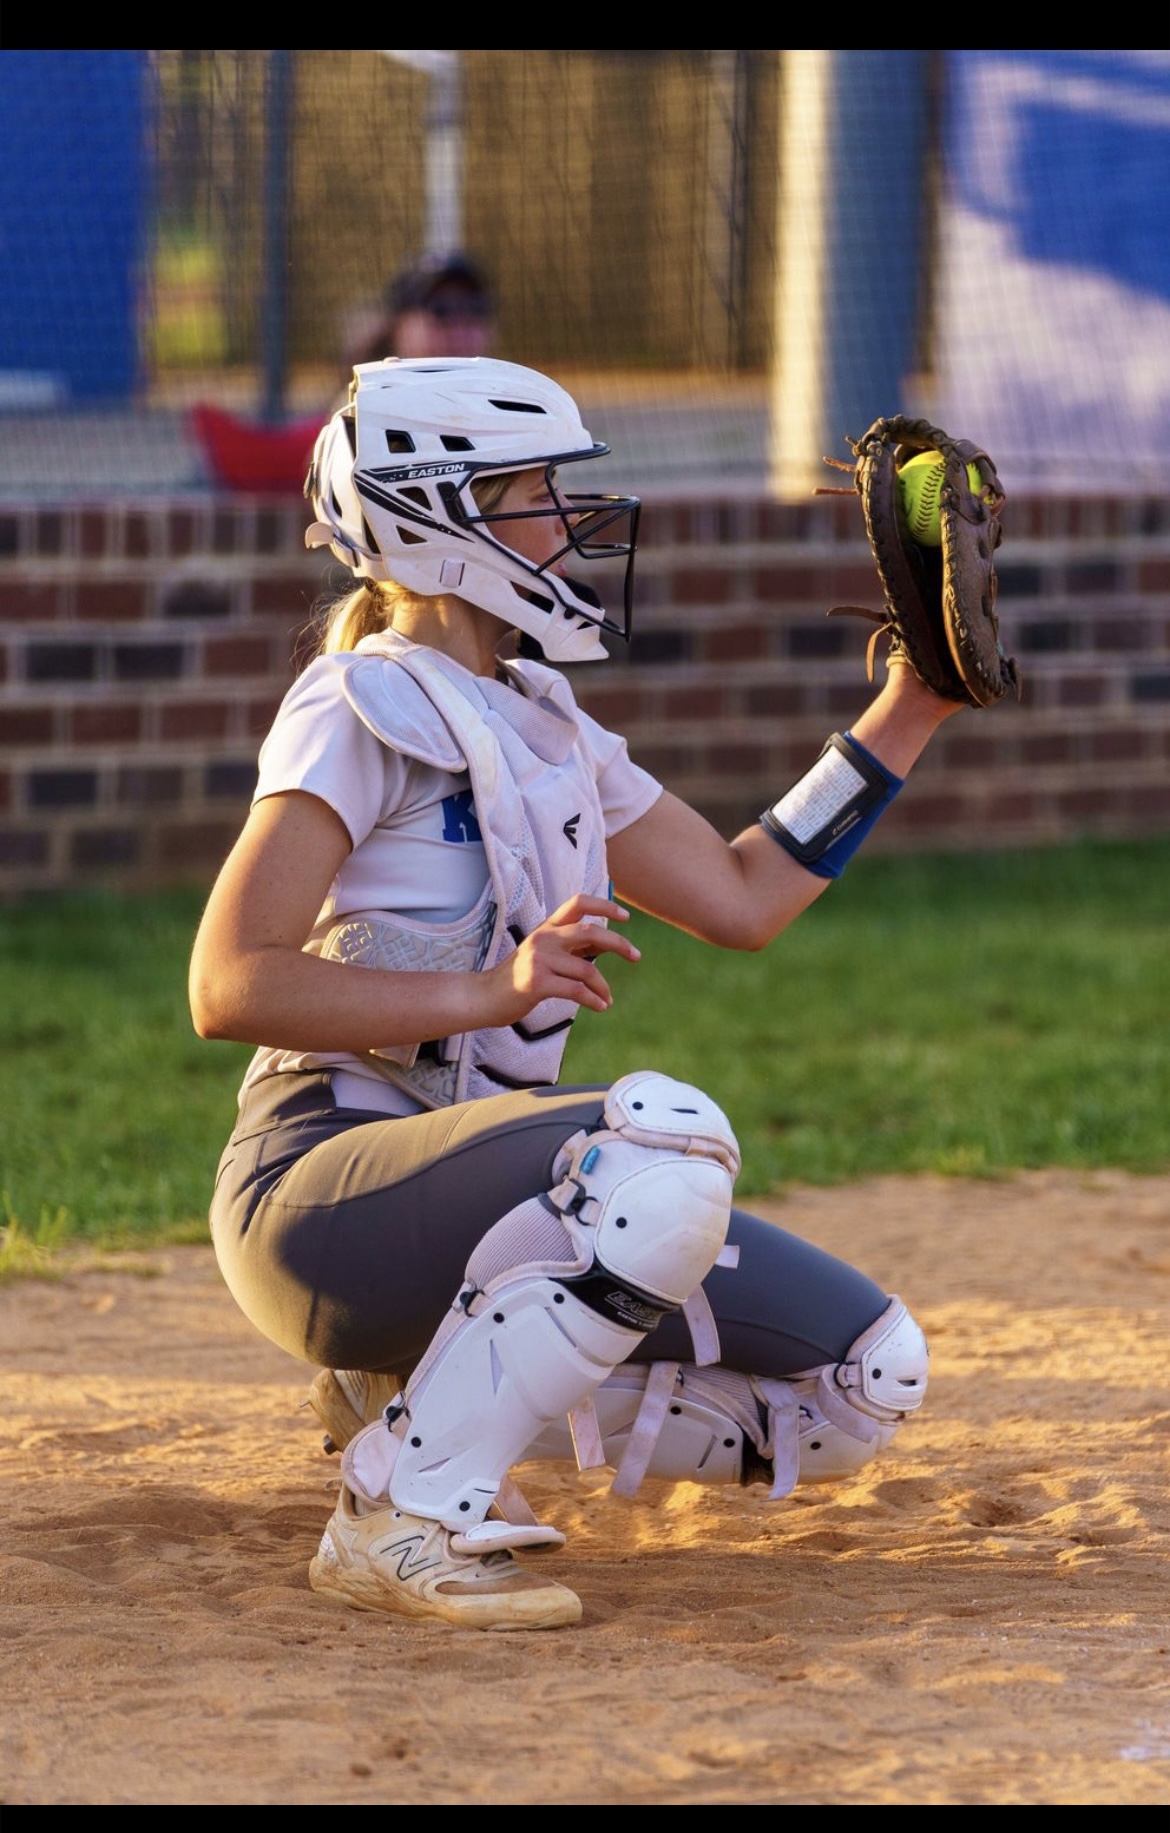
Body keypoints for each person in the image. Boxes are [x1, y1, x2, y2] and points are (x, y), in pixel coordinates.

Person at [188, 355, 962, 1633]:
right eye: (534, 491)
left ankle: (410, 1397)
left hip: (462, 1218)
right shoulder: (358, 700)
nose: (569, 519)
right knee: (659, 1148)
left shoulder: (545, 722)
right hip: (314, 1198)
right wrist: (489, 989)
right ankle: (398, 1511)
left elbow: (743, 895)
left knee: (861, 1383)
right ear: (437, 518)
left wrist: (909, 710)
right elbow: (229, 982)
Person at [338, 250, 496, 376]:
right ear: (397, 326)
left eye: (475, 307)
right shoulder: (356, 404)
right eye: (441, 309)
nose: (459, 326)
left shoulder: (506, 401)